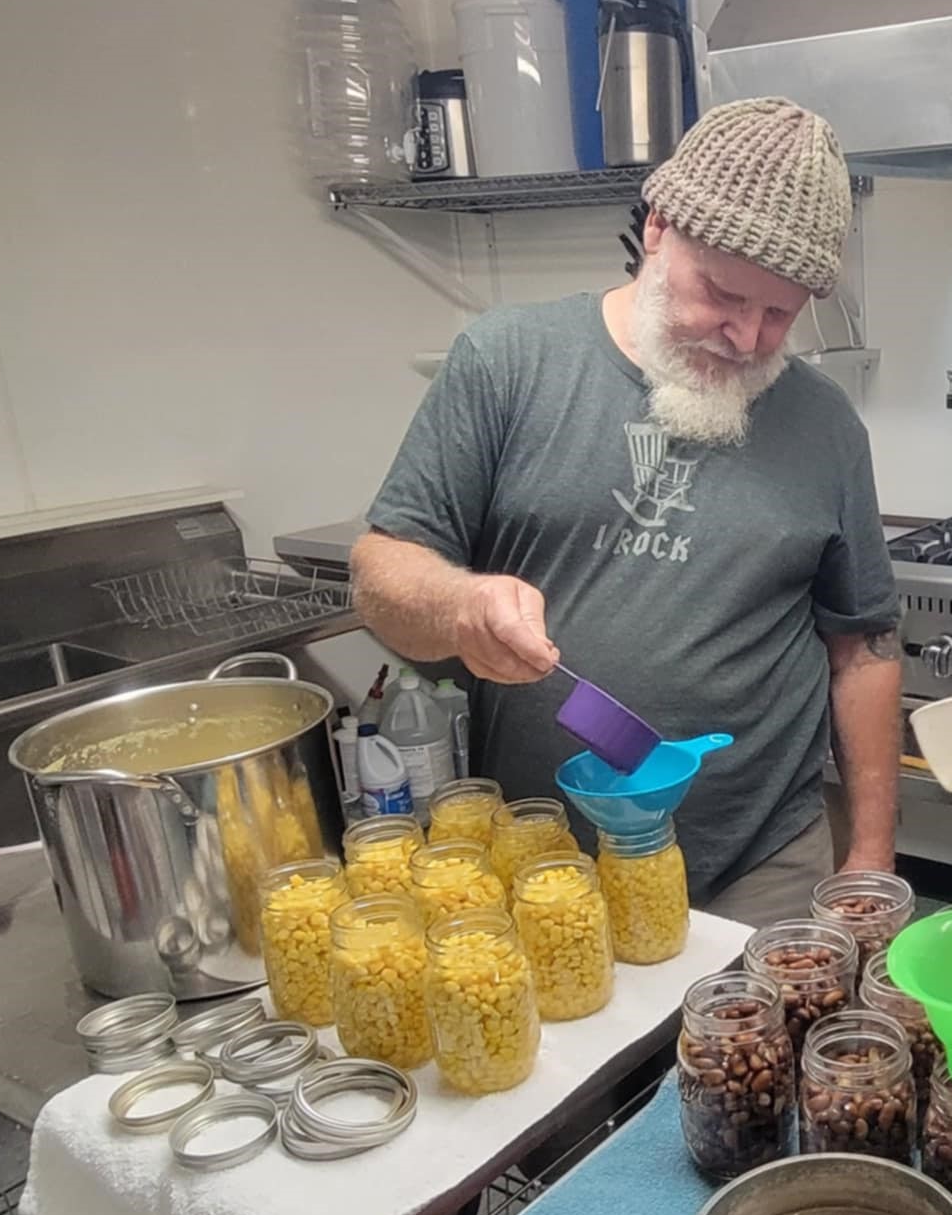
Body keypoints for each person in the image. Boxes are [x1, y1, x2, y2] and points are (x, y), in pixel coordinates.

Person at [352, 97, 901, 927]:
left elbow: (861, 649)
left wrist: (871, 858)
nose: (748, 338)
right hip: (545, 864)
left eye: (781, 313)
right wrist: (459, 608)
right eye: (722, 293)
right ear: (658, 228)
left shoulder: (824, 424)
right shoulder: (507, 361)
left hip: (763, 867)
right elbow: (381, 570)